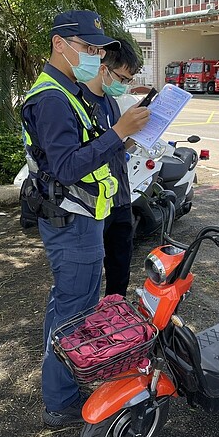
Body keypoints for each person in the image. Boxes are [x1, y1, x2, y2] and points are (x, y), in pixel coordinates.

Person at [20, 10, 150, 427]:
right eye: (89, 47)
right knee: (75, 311)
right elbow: (64, 166)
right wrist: (117, 134)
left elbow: (86, 152)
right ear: (61, 44)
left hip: (82, 218)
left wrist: (122, 139)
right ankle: (60, 403)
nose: (95, 55)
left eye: (97, 49)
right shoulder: (52, 98)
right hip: (72, 222)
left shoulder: (69, 90)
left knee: (66, 304)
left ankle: (58, 378)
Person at [81, 38, 141, 297]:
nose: (124, 86)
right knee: (87, 278)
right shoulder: (77, 102)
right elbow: (83, 158)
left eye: (128, 81)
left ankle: (115, 319)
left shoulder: (111, 103)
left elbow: (116, 149)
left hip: (121, 199)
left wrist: (135, 137)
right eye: (122, 78)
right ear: (103, 67)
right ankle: (85, 326)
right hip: (93, 206)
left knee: (120, 270)